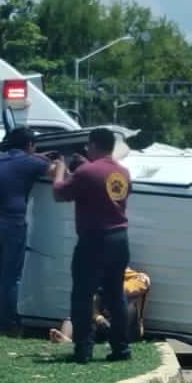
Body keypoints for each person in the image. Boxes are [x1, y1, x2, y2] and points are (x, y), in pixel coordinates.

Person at [51, 129, 132, 363]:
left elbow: (59, 193)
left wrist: (60, 171)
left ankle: (83, 349)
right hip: (120, 238)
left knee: (82, 294)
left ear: (94, 145)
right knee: (115, 294)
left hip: (94, 239)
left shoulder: (86, 172)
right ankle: (121, 348)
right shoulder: (123, 172)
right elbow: (106, 191)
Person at [0, 127, 58, 336]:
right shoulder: (31, 162)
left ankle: (3, 319)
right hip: (12, 223)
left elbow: (20, 164)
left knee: (1, 275)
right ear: (30, 145)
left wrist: (37, 157)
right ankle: (9, 324)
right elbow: (55, 173)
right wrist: (58, 162)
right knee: (11, 277)